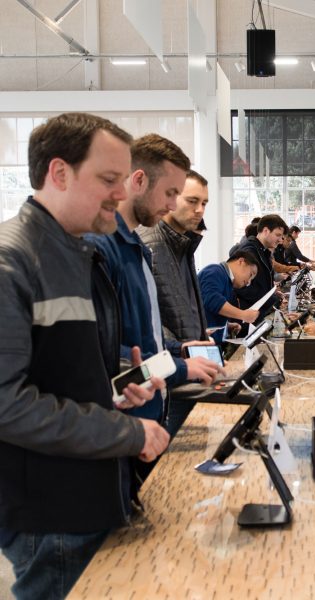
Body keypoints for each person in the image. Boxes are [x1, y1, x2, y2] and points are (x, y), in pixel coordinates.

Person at [0, 113, 170, 599]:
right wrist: (125, 432)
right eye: (109, 179)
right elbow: (7, 404)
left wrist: (114, 385)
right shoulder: (13, 261)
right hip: (51, 512)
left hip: (87, 498)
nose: (122, 192)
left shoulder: (78, 254)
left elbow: (57, 372)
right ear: (59, 173)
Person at [87, 135, 221, 454]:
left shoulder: (137, 250)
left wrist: (179, 350)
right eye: (170, 193)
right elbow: (103, 355)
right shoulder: (100, 248)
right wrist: (179, 367)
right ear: (138, 180)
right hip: (122, 423)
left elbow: (146, 338)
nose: (173, 205)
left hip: (146, 412)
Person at [138, 169, 214, 438]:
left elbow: (180, 307)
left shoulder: (183, 243)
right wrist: (181, 349)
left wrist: (200, 337)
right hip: (168, 376)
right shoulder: (151, 244)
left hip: (184, 368)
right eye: (192, 201)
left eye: (204, 203)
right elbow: (149, 322)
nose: (200, 210)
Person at [198, 250, 260, 344]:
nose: (248, 282)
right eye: (250, 274)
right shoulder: (214, 271)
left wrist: (226, 326)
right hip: (201, 343)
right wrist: (243, 314)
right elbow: (212, 300)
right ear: (241, 261)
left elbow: (209, 312)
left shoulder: (228, 282)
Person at [235, 214, 288, 324]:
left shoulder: (263, 251)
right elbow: (242, 287)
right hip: (248, 317)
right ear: (265, 231)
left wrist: (271, 292)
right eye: (278, 235)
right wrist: (270, 298)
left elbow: (260, 281)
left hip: (257, 314)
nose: (280, 240)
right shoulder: (249, 251)